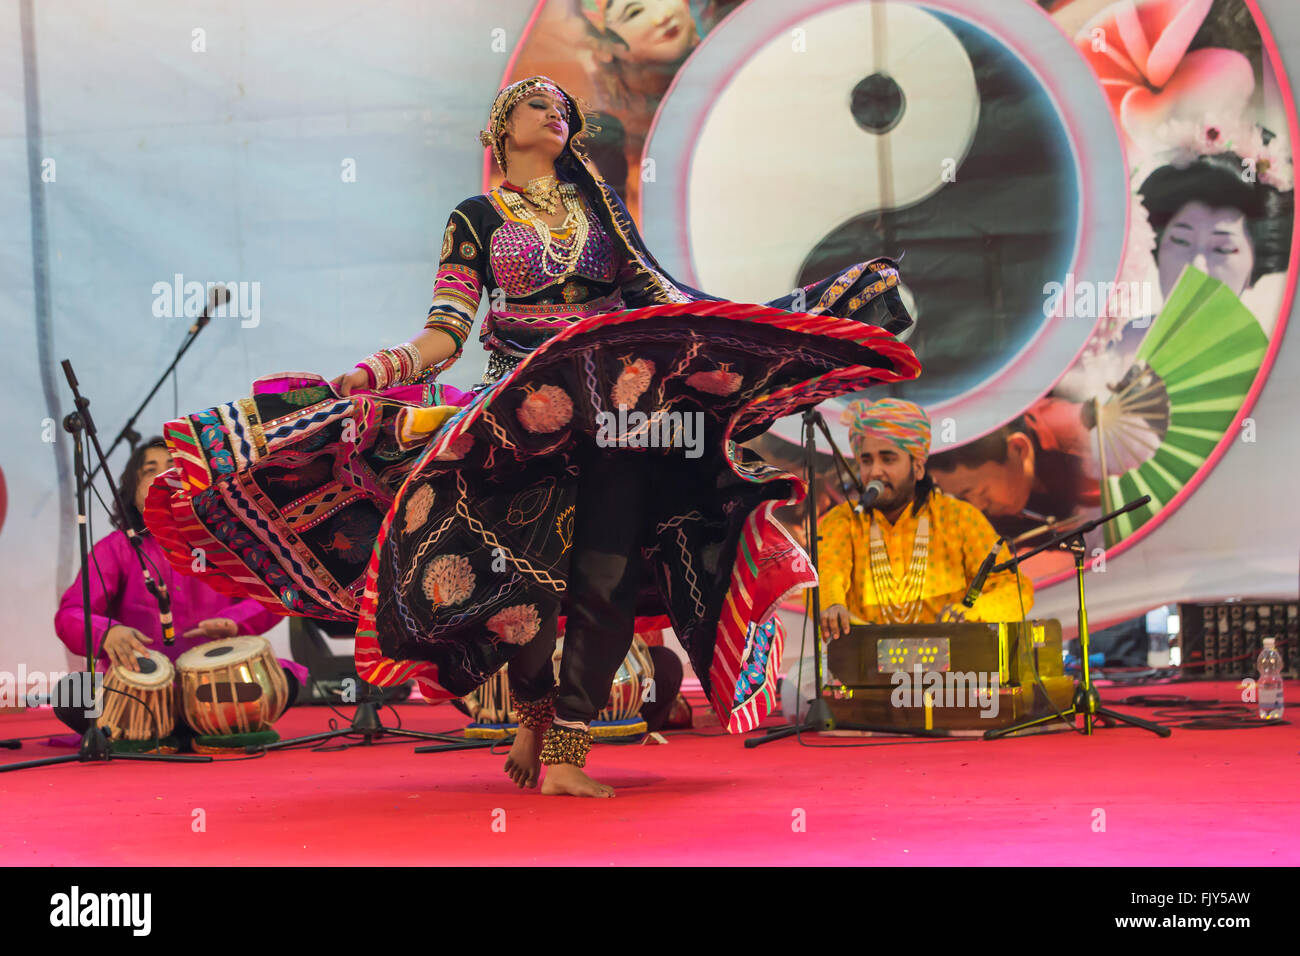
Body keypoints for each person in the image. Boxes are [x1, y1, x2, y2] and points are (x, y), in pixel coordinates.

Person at [145, 76, 920, 796]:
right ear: (501, 127)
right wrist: (379, 371)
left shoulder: (603, 211)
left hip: (615, 414)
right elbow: (448, 330)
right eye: (538, 105)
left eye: (565, 110)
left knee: (608, 575)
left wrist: (789, 322)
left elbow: (662, 303)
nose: (559, 114)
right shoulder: (476, 217)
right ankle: (535, 713)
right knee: (514, 588)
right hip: (517, 414)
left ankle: (564, 751)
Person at [52, 438, 307, 739]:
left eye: (173, 468)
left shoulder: (224, 543)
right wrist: (106, 632)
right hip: (137, 689)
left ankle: (166, 728)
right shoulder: (116, 549)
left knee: (284, 678)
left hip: (213, 688)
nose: (163, 476)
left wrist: (235, 623)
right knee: (70, 694)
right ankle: (185, 726)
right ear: (132, 494)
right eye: (150, 470)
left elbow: (271, 595)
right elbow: (71, 612)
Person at [818, 398, 1033, 641]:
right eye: (866, 461)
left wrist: (975, 612)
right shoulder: (843, 521)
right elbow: (828, 574)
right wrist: (833, 604)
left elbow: (1016, 590)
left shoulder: (959, 519)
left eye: (888, 459)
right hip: (863, 670)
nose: (875, 471)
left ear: (918, 467)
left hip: (954, 675)